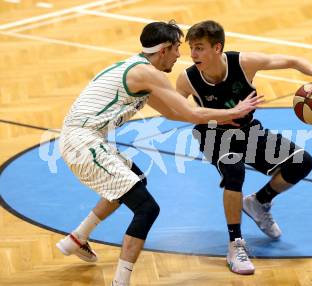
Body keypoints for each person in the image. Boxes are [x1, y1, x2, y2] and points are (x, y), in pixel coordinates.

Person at [56, 20, 262, 286]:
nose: (180, 55)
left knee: (135, 180)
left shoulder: (141, 71)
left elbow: (173, 113)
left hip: (88, 141)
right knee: (147, 208)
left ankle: (76, 239)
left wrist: (221, 119)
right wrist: (233, 112)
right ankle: (120, 282)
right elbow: (191, 113)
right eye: (177, 48)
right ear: (163, 49)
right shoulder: (146, 73)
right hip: (83, 143)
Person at [176, 20, 312, 275]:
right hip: (214, 135)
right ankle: (235, 244)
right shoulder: (188, 79)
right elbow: (178, 112)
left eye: (199, 48)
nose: (193, 54)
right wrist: (224, 114)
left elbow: (293, 60)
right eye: (192, 49)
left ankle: (259, 202)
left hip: (248, 130)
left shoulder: (244, 63)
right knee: (234, 172)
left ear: (217, 48)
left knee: (302, 162)